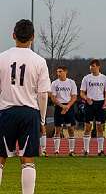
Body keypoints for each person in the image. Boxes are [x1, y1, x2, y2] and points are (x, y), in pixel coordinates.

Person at [0, 19, 51, 194]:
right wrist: (42, 119)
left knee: (0, 159)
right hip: (30, 113)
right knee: (27, 160)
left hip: (5, 112)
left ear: (13, 35)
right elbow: (43, 94)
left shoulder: (2, 58)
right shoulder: (39, 61)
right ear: (33, 37)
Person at [80, 59, 106, 156]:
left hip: (100, 103)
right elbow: (81, 93)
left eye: (93, 66)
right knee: (88, 127)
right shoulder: (86, 78)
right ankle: (86, 150)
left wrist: (105, 102)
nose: (91, 68)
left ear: (98, 66)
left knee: (100, 127)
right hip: (90, 103)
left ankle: (100, 150)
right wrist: (86, 98)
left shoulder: (104, 78)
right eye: (90, 66)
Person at [49, 66, 78, 156]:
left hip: (69, 107)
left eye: (60, 71)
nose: (58, 73)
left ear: (65, 72)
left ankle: (71, 150)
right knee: (58, 130)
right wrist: (62, 106)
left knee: (71, 129)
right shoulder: (54, 83)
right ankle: (56, 151)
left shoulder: (71, 82)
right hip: (59, 107)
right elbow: (53, 97)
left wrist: (67, 106)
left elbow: (74, 96)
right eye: (57, 71)